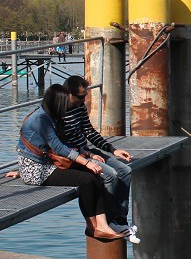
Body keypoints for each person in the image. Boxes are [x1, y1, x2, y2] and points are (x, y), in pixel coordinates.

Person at [15, 84, 126, 241]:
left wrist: (87, 154)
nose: (67, 106)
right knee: (86, 180)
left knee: (96, 174)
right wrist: (87, 162)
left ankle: (103, 225)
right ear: (57, 102)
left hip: (46, 164)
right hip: (36, 170)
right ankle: (92, 227)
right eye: (64, 102)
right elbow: (58, 147)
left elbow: (61, 144)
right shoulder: (40, 119)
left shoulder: (49, 115)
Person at [61, 75, 137, 240]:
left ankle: (119, 219)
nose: (83, 100)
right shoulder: (59, 110)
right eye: (81, 96)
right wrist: (87, 155)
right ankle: (107, 223)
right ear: (69, 94)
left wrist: (111, 149)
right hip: (75, 156)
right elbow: (59, 145)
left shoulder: (80, 107)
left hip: (87, 151)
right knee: (110, 174)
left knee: (125, 170)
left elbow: (89, 131)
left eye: (85, 96)